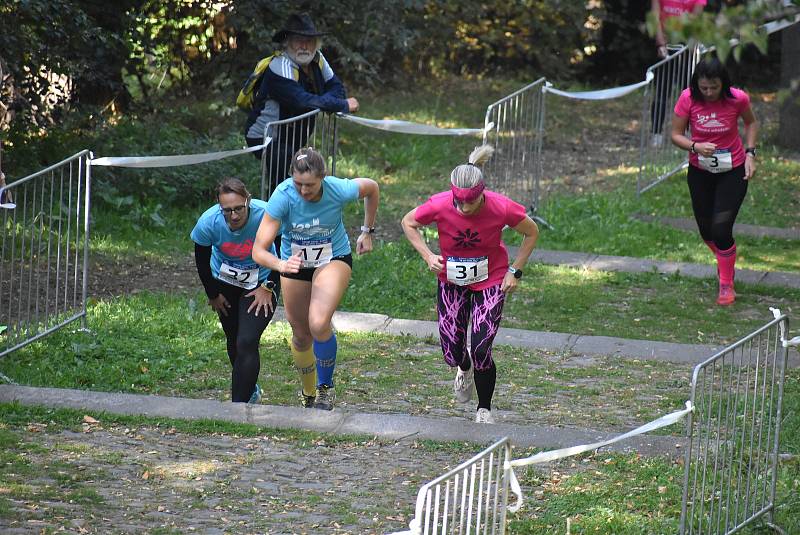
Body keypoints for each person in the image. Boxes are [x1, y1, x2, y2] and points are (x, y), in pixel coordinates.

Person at [401, 145, 540, 424]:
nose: (464, 208)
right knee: (452, 350)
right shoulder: (440, 204)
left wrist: (515, 270)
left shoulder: (500, 206)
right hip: (452, 281)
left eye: (470, 203)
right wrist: (428, 255)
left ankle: (484, 409)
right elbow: (408, 222)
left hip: (491, 279)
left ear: (482, 193)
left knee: (481, 346)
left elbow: (531, 231)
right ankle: (463, 369)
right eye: (459, 202)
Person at [252, 147, 379, 411]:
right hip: (294, 264)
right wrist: (280, 264)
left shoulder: (338, 189)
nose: (303, 191)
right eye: (298, 183)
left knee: (318, 322)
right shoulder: (283, 196)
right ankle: (308, 391)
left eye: (309, 185)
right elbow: (258, 250)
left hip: (333, 258)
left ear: (323, 177)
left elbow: (372, 187)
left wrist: (367, 231)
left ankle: (325, 388)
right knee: (300, 334)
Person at [670, 55, 758, 306]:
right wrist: (695, 146)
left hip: (733, 170)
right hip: (700, 171)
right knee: (706, 231)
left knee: (721, 229)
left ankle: (726, 284)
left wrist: (751, 153)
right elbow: (676, 135)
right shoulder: (688, 98)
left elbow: (751, 123)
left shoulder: (738, 98)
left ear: (724, 84)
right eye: (704, 87)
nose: (708, 92)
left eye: (714, 87)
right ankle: (725, 261)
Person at [244, 13, 359, 198]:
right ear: (287, 42)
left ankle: (298, 219)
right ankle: (276, 221)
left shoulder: (317, 60)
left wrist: (332, 102)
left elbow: (337, 88)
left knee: (297, 177)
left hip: (293, 137)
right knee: (285, 182)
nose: (304, 46)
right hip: (267, 137)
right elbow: (301, 101)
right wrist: (342, 105)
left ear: (316, 43)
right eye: (298, 40)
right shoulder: (279, 66)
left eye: (310, 40)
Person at [191, 178, 280, 403]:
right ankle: (249, 388)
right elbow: (201, 260)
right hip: (224, 281)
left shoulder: (266, 215)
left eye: (239, 208)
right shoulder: (208, 222)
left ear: (248, 201)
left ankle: (238, 406)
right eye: (227, 210)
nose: (234, 215)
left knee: (247, 340)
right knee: (233, 340)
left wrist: (268, 286)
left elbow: (285, 251)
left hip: (261, 282)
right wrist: (213, 295)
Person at [649, 0, 706, 146]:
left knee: (688, 93)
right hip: (665, 48)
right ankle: (656, 133)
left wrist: (691, 43)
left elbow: (695, 20)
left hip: (686, 48)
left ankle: (686, 132)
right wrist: (661, 43)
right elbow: (655, 16)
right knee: (662, 91)